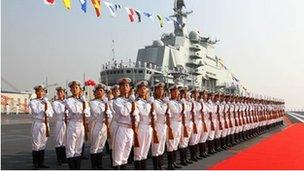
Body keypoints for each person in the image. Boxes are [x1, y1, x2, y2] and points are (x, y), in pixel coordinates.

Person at [112, 77, 139, 169]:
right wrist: (130, 102)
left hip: (130, 129)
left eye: (126, 85)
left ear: (129, 88)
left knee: (125, 155)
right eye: (122, 86)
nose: (124, 87)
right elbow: (124, 112)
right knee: (118, 155)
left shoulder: (132, 101)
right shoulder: (117, 101)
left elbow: (136, 114)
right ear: (119, 88)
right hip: (121, 128)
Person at [65, 81, 91, 169]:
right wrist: (83, 107)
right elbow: (74, 110)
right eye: (73, 88)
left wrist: (84, 103)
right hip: (73, 124)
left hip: (81, 125)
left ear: (80, 89)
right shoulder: (68, 100)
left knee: (78, 149)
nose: (75, 89)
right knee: (71, 148)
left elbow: (87, 113)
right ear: (70, 90)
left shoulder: (83, 101)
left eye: (77, 88)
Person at [29, 85, 54, 169]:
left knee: (43, 144)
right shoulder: (33, 102)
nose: (40, 92)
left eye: (42, 91)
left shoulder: (47, 102)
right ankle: (35, 164)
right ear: (36, 92)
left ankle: (41, 162)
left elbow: (51, 113)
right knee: (36, 144)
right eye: (38, 91)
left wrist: (47, 110)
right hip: (38, 123)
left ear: (44, 92)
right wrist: (44, 107)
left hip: (45, 124)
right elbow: (36, 111)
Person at [89, 83, 112, 169]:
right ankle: (94, 166)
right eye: (97, 91)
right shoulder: (92, 102)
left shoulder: (106, 102)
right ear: (94, 93)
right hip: (96, 125)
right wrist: (106, 108)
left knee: (101, 146)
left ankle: (99, 165)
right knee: (94, 146)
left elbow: (110, 115)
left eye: (101, 90)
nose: (99, 92)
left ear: (104, 92)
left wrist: (107, 106)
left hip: (104, 126)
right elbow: (96, 112)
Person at [134, 80, 153, 169]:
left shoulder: (147, 102)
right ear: (137, 91)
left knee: (145, 152)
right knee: (138, 152)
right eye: (140, 89)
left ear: (147, 91)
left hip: (148, 127)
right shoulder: (136, 102)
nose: (142, 90)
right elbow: (143, 114)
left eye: (144, 89)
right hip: (140, 127)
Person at [151, 82, 168, 170]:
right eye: (159, 89)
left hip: (163, 126)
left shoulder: (162, 101)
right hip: (157, 126)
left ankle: (160, 166)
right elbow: (160, 112)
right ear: (155, 91)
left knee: (161, 147)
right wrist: (166, 104)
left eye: (162, 89)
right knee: (156, 148)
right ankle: (156, 167)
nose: (161, 91)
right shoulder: (154, 101)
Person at [166, 84, 182, 169]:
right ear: (171, 92)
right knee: (171, 144)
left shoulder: (177, 102)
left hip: (178, 124)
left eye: (177, 91)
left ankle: (174, 162)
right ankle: (170, 164)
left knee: (176, 144)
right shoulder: (170, 102)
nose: (176, 93)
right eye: (174, 91)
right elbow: (176, 111)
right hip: (172, 124)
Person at [52, 86, 67, 166]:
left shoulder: (66, 101)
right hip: (59, 122)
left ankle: (64, 158)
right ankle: (59, 159)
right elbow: (58, 111)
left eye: (61, 92)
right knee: (59, 141)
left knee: (64, 140)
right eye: (59, 92)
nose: (60, 94)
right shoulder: (55, 103)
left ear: (64, 93)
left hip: (65, 123)